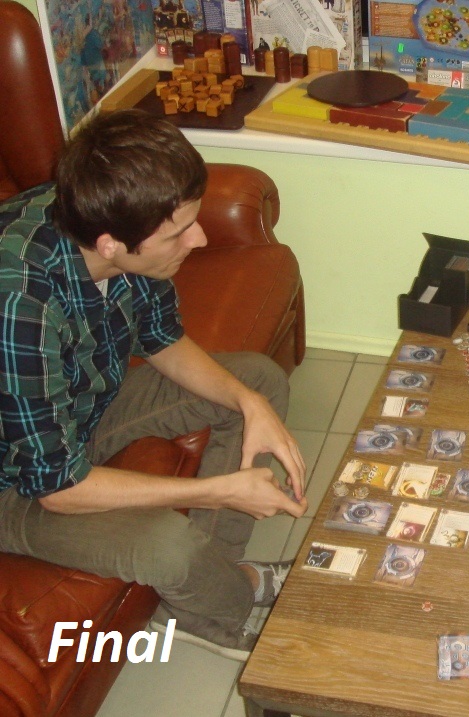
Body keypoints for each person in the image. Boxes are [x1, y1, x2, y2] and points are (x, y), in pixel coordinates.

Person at [0, 109, 309, 661]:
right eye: (177, 233)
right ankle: (222, 611)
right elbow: (58, 487)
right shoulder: (19, 305)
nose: (200, 238)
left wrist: (249, 402)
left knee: (255, 381)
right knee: (168, 544)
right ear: (111, 244)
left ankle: (212, 586)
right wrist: (215, 490)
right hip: (18, 482)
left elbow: (162, 339)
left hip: (81, 408)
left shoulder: (105, 211)